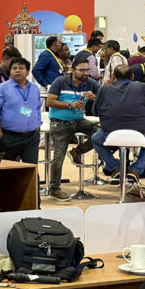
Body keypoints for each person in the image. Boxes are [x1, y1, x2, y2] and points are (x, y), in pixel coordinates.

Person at [92, 65, 145, 180]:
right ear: (132, 76)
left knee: (95, 139)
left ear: (113, 76)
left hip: (110, 134)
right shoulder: (142, 87)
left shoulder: (104, 89)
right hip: (141, 134)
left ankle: (114, 168)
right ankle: (136, 169)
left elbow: (95, 111)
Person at [46, 57, 101, 200]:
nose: (85, 73)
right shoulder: (60, 81)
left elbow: (104, 94)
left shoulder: (89, 82)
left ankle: (77, 152)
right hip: (60, 122)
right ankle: (55, 188)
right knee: (59, 155)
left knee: (101, 134)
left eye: (87, 70)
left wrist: (95, 97)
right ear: (73, 70)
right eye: (82, 70)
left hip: (79, 120)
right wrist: (70, 105)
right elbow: (49, 102)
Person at [0, 58, 41, 163]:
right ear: (10, 71)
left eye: (21, 68)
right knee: (8, 169)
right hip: (9, 137)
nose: (17, 71)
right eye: (14, 68)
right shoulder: (1, 88)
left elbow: (37, 107)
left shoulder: (34, 88)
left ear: (27, 72)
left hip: (31, 137)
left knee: (31, 168)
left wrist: (37, 126)